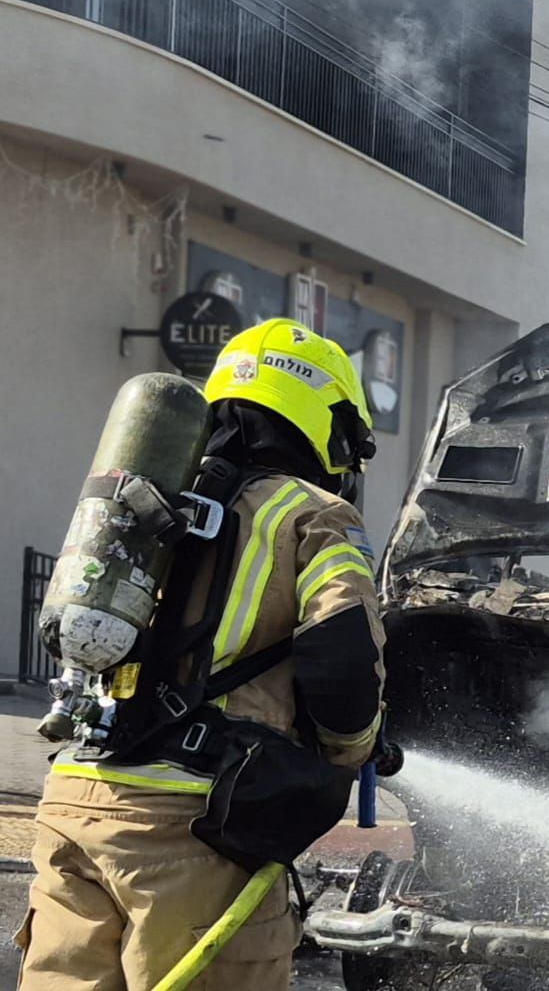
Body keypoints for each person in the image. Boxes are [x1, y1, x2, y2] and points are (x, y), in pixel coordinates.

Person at [17, 319, 386, 990]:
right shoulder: (314, 514)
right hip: (194, 827)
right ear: (322, 420)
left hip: (74, 801)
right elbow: (343, 660)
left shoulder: (146, 498)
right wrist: (357, 746)